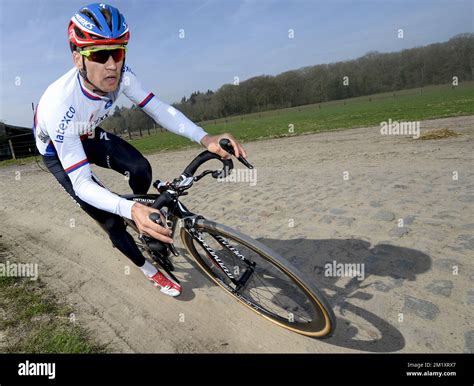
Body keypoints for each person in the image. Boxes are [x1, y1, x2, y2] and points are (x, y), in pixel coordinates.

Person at [33, 3, 247, 297]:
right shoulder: (61, 106)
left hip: (88, 132)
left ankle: (141, 213)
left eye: (118, 52)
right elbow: (81, 183)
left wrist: (204, 137)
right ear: (77, 59)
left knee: (140, 169)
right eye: (99, 54)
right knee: (108, 218)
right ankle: (148, 268)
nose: (111, 64)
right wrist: (128, 209)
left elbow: (158, 109)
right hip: (58, 149)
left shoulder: (123, 76)